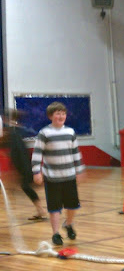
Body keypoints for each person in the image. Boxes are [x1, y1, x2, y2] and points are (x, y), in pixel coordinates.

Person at [31, 102, 85, 246]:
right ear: (50, 116)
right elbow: (37, 154)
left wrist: (79, 170)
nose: (61, 116)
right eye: (58, 114)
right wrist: (36, 171)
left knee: (72, 205)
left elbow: (76, 152)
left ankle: (68, 224)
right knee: (54, 207)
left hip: (69, 176)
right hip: (52, 177)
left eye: (63, 113)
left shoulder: (70, 132)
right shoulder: (44, 133)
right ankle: (55, 233)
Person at [7, 110, 47, 220]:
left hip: (24, 164)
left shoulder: (14, 132)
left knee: (26, 186)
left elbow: (18, 151)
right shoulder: (18, 130)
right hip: (25, 164)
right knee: (26, 186)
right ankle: (40, 210)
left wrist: (19, 168)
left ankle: (41, 210)